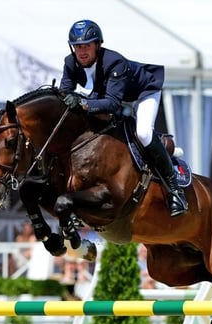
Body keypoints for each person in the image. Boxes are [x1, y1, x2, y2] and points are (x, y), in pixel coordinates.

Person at [58, 19, 188, 217]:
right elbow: (64, 94)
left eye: (86, 46)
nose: (81, 51)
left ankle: (175, 191)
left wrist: (82, 103)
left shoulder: (114, 62)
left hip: (143, 91)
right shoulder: (70, 62)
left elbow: (112, 103)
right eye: (77, 46)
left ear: (97, 45)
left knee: (143, 133)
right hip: (108, 93)